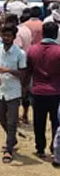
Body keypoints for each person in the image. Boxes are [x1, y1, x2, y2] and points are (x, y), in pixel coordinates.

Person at [25, 22, 60, 160]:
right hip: (56, 92)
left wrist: (25, 89)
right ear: (56, 34)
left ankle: (40, 148)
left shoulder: (32, 50)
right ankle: (54, 147)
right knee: (56, 122)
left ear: (43, 33)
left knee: (39, 122)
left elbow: (28, 71)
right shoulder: (58, 51)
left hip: (38, 91)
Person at [0, 23, 27, 164]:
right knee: (1, 118)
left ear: (14, 37)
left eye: (9, 35)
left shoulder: (20, 53)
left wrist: (7, 71)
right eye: (4, 35)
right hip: (1, 91)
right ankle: (12, 139)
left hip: (14, 92)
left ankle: (8, 149)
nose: (6, 38)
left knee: (12, 121)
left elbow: (23, 74)